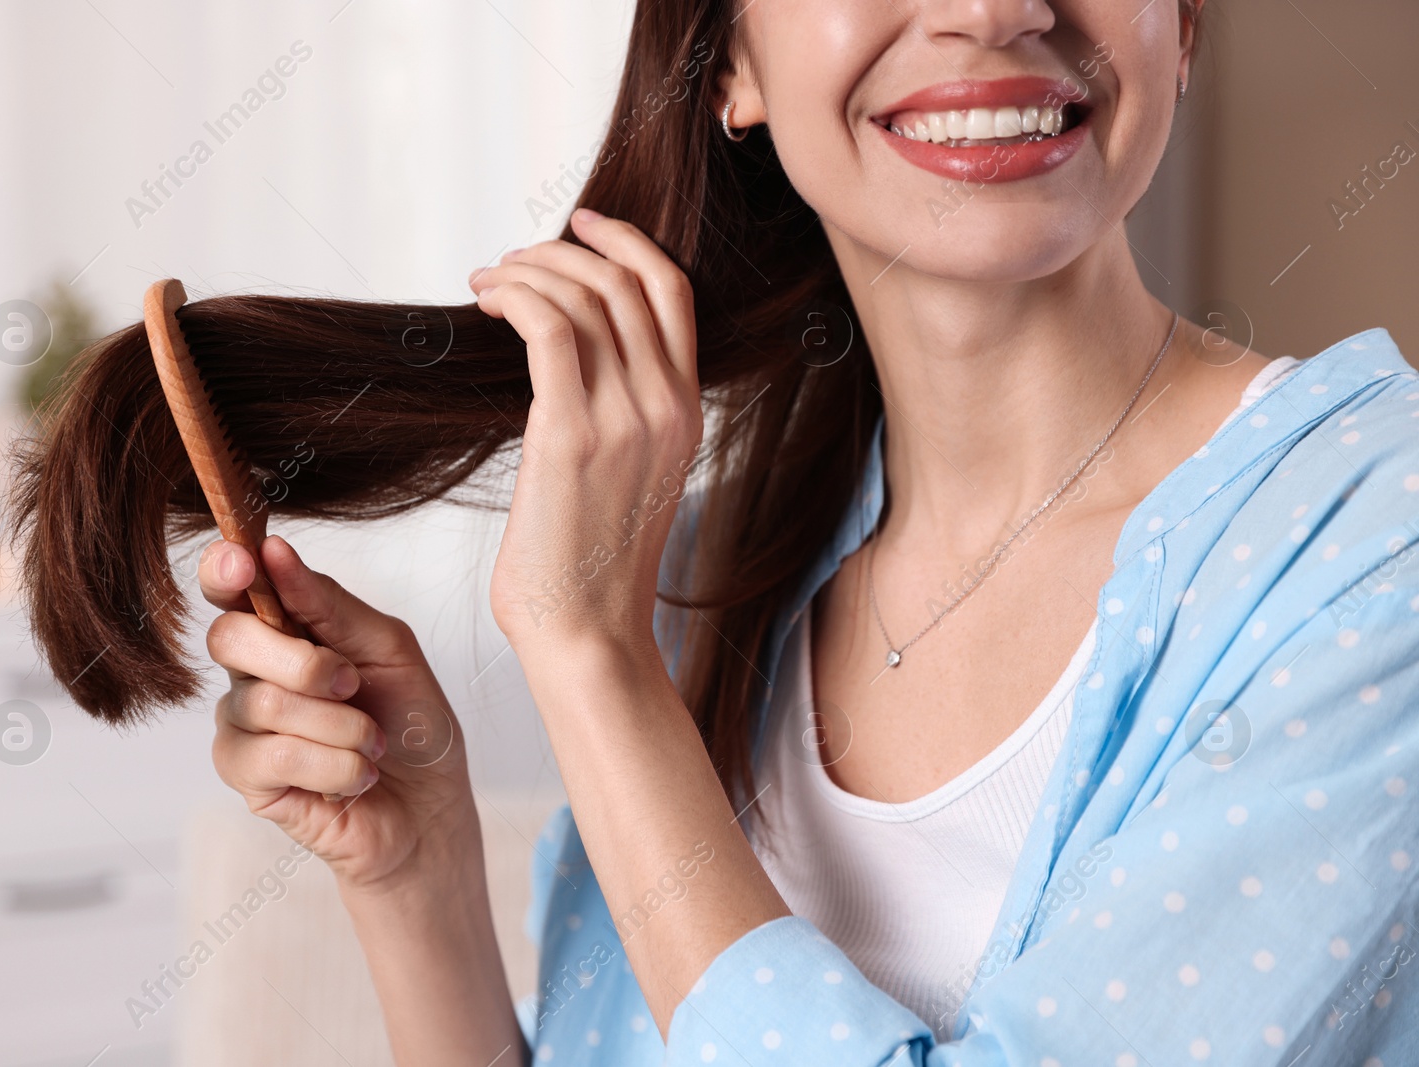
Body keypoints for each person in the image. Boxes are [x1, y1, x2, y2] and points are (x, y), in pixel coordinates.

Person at [191, 0, 1419, 1063]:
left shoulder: (1376, 536)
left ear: (1185, 21)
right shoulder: (705, 568)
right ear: (730, 59)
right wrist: (419, 877)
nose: (991, 12)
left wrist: (593, 664)